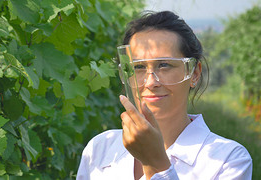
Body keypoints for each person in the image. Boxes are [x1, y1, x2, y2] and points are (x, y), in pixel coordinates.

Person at [76, 11, 252, 180]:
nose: (151, 82)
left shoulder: (229, 160)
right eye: (138, 67)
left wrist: (155, 163)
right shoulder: (100, 149)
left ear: (194, 73)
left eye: (164, 65)